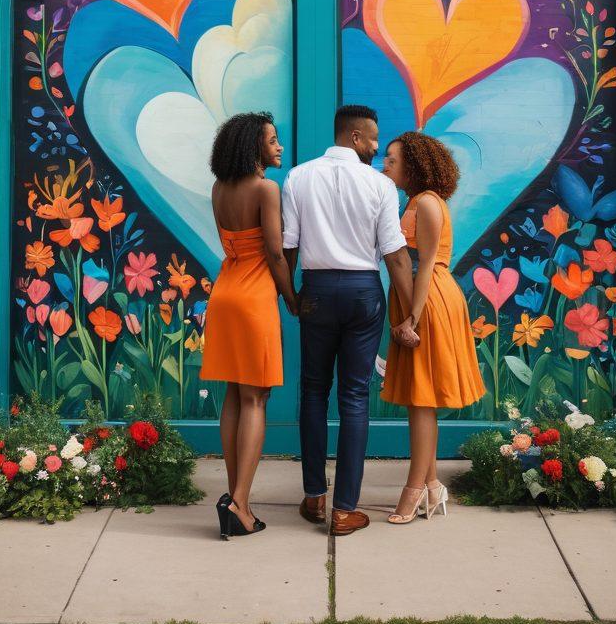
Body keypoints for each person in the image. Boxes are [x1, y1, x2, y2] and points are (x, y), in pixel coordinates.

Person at [282, 104, 417, 537]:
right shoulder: (380, 185)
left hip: (317, 291)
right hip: (362, 292)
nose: (377, 148)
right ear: (355, 137)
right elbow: (395, 255)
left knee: (313, 391)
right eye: (373, 139)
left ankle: (313, 497)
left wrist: (291, 296)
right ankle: (344, 510)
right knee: (355, 396)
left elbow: (288, 247)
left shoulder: (297, 177)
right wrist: (412, 312)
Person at [380, 131, 486, 524]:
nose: (385, 166)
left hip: (428, 299)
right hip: (423, 296)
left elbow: (425, 264)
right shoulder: (419, 200)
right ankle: (432, 486)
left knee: (422, 401)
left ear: (412, 166)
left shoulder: (425, 202)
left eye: (392, 160)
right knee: (420, 400)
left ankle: (413, 490)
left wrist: (413, 315)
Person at [201, 112, 297, 539]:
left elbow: (234, 244)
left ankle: (236, 497)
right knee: (256, 399)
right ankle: (239, 503)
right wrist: (291, 298)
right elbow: (274, 253)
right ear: (253, 146)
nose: (279, 147)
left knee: (234, 396)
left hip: (224, 293)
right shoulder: (265, 189)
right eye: (272, 140)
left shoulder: (219, 188)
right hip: (255, 296)